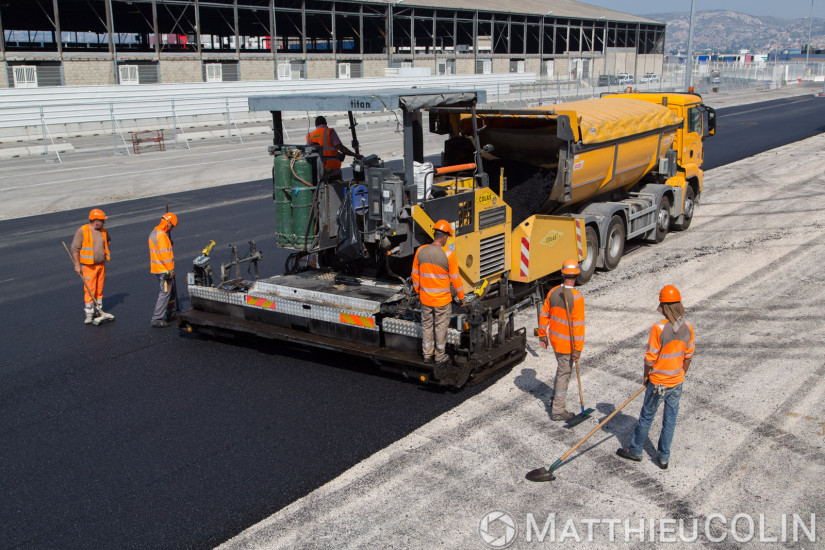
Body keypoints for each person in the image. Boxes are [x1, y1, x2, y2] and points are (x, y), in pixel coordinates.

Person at [617, 285, 695, 470]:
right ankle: (663, 457)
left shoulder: (658, 328)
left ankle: (635, 451)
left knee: (646, 417)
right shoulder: (688, 327)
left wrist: (646, 376)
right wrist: (681, 373)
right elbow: (689, 355)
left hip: (658, 383)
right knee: (670, 419)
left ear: (664, 306)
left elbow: (650, 358)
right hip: (676, 382)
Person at [411, 219, 465, 375]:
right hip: (442, 301)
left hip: (426, 299)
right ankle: (439, 356)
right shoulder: (448, 255)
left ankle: (427, 354)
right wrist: (462, 299)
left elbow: (415, 274)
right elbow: (456, 279)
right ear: (444, 237)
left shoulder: (420, 251)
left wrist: (418, 290)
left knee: (427, 325)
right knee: (440, 327)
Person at [538, 259, 585, 421]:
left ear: (563, 274)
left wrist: (542, 334)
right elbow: (578, 327)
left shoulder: (553, 292)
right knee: (565, 373)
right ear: (577, 275)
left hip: (555, 340)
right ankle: (558, 410)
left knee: (561, 369)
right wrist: (577, 349)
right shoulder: (577, 298)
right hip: (567, 344)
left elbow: (544, 315)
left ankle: (553, 399)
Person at [71, 208, 114, 324]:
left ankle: (98, 310)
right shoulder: (82, 231)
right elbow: (75, 249)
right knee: (90, 289)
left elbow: (108, 241)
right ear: (95, 220)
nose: (104, 223)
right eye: (102, 220)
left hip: (101, 265)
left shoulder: (103, 231)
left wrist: (103, 250)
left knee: (99, 289)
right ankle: (89, 313)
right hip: (89, 266)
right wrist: (77, 265)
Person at [306, 115, 363, 180]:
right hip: (332, 172)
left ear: (316, 125)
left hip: (319, 172)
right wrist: (355, 155)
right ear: (326, 123)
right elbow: (341, 148)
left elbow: (308, 152)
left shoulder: (310, 135)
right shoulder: (329, 132)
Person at [148, 212, 178, 328]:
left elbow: (159, 248)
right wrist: (170, 270)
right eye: (172, 226)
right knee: (165, 292)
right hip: (164, 270)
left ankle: (171, 313)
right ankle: (156, 318)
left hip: (157, 268)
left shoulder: (154, 232)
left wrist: (168, 244)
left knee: (171, 292)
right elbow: (164, 255)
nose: (172, 229)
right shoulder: (162, 236)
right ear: (168, 222)